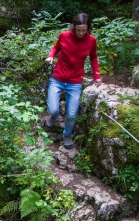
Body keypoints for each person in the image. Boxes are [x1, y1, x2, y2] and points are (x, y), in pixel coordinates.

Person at [45, 13, 102, 149]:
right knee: (53, 109)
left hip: (75, 81)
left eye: (84, 30)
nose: (81, 33)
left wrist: (97, 75)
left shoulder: (91, 40)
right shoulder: (64, 36)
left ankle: (67, 135)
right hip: (58, 78)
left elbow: (93, 58)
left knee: (71, 114)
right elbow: (56, 47)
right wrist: (51, 56)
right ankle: (53, 116)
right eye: (79, 30)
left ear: (88, 28)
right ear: (73, 26)